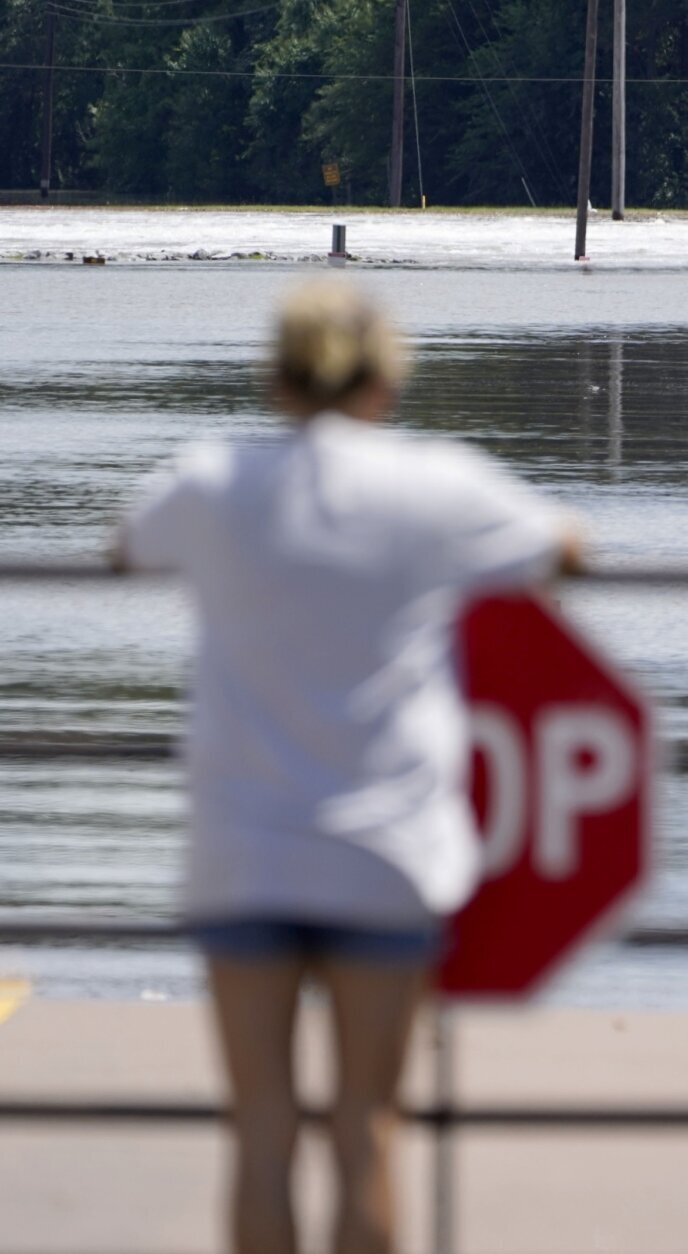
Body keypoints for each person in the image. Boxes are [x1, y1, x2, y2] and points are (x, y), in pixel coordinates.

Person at [113, 279, 578, 1254]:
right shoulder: (436, 484)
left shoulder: (215, 481)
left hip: (246, 850)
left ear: (275, 380)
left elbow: (127, 545)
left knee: (261, 1130)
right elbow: (561, 545)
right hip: (384, 852)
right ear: (386, 382)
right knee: (368, 1129)